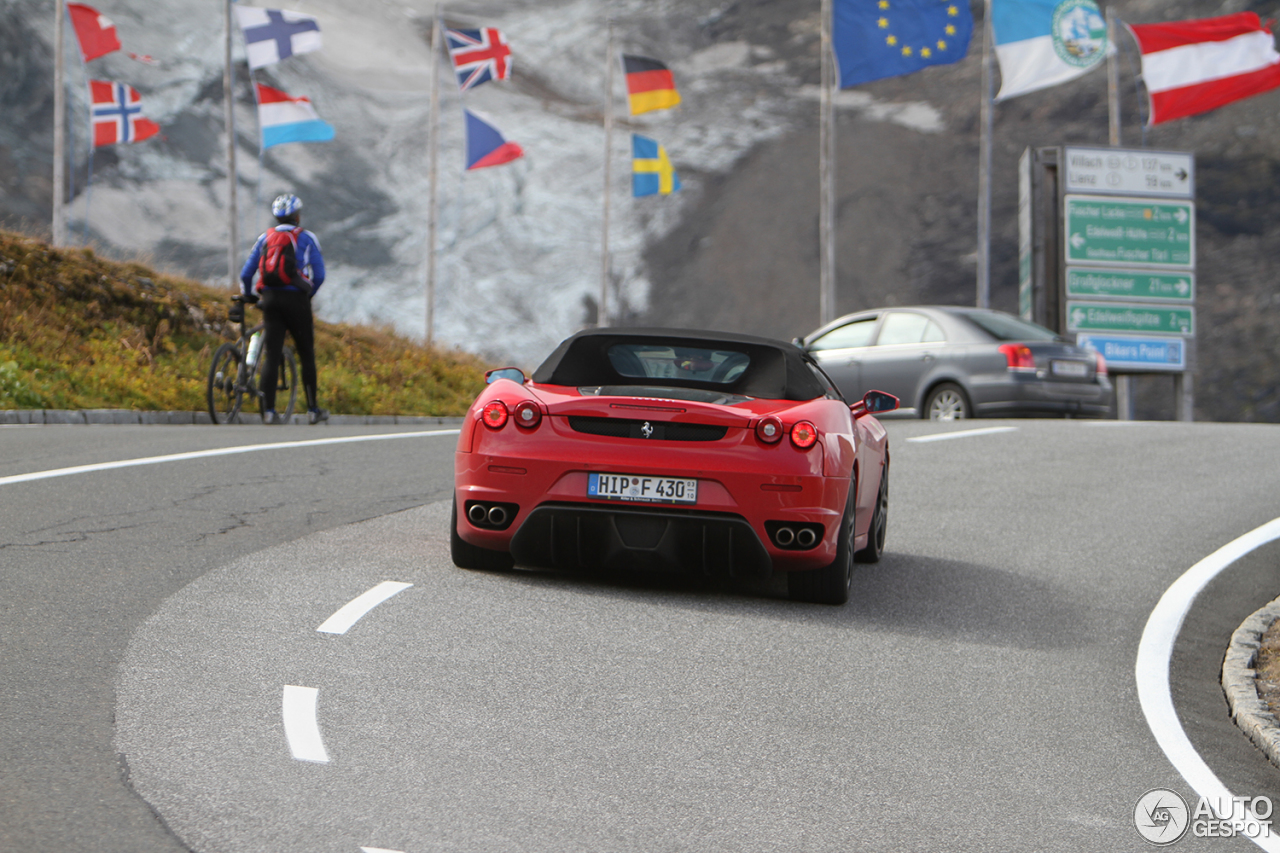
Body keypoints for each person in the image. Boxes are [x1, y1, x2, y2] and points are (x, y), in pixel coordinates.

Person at [239, 193, 328, 425]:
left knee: (272, 353)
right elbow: (319, 275)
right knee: (306, 353)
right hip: (297, 300)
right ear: (297, 216)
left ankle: (268, 412)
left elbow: (246, 273)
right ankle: (312, 410)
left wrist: (249, 294)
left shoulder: (264, 238)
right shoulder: (307, 238)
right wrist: (309, 294)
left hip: (269, 298)